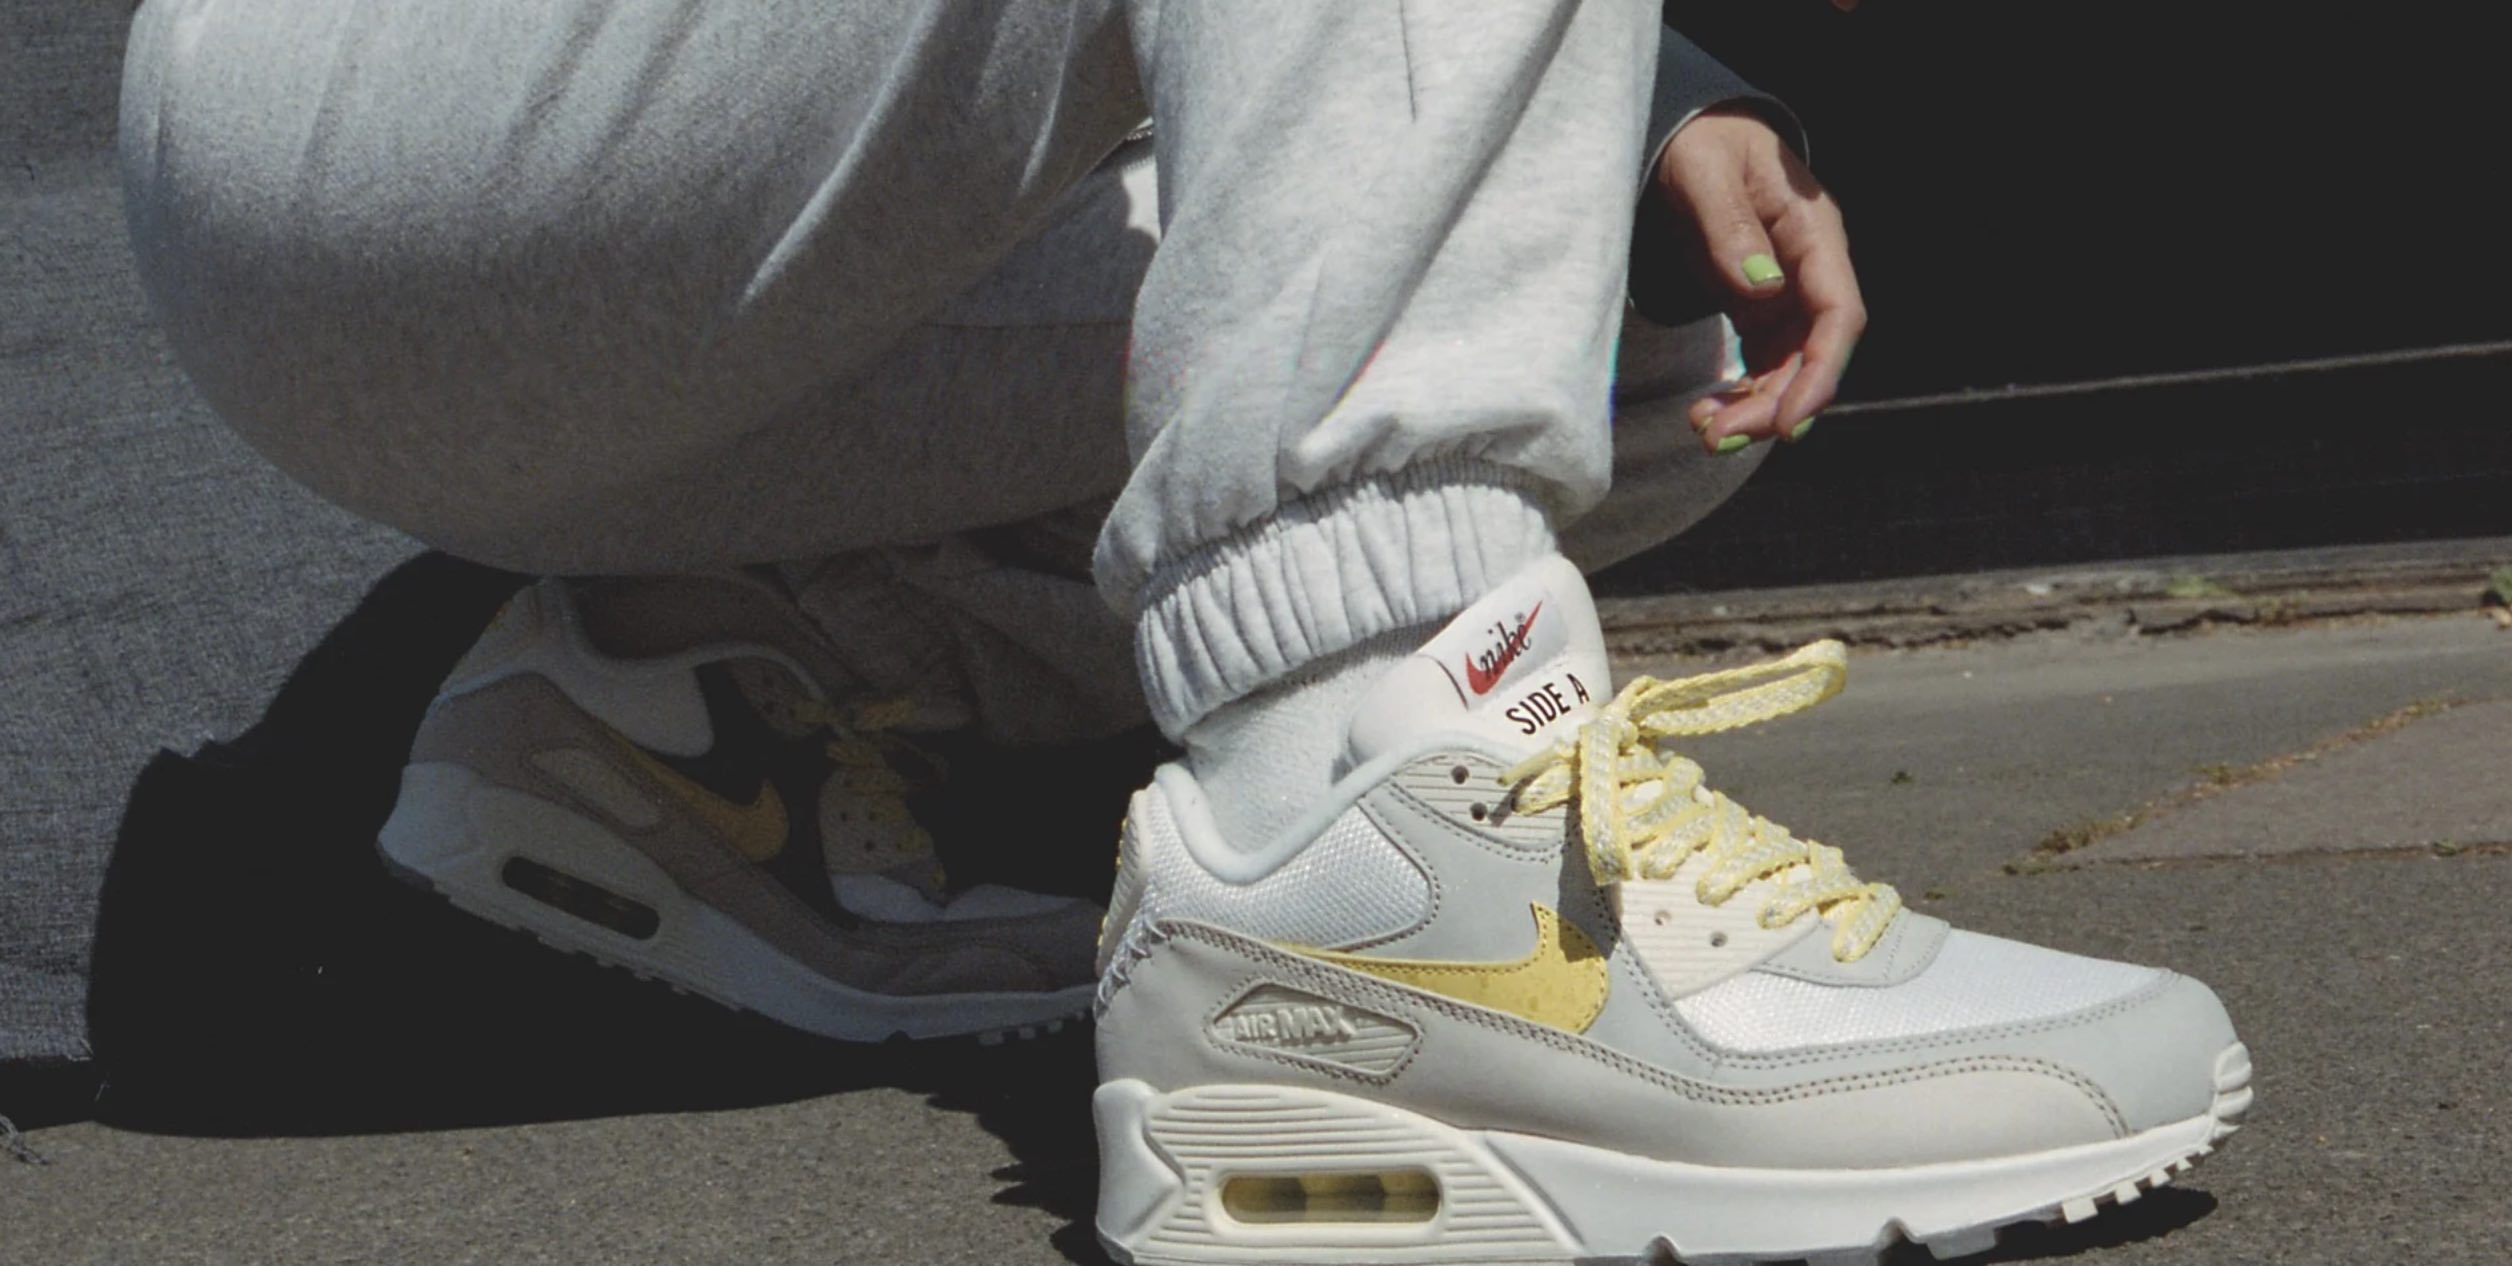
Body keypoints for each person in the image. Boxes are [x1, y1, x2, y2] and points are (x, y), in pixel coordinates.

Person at [119, 2, 2247, 1261]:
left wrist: (1636, 90)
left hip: (685, 263)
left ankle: (702, 692)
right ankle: (1375, 841)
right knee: (1484, 326)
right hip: (419, 98)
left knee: (1633, 342)